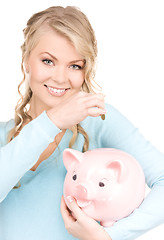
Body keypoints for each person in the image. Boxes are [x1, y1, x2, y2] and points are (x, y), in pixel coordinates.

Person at [0, 6, 164, 240]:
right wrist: (52, 121)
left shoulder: (98, 121)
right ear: (27, 60)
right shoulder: (2, 135)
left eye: (74, 65)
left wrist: (108, 237)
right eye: (48, 61)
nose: (59, 77)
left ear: (86, 70)